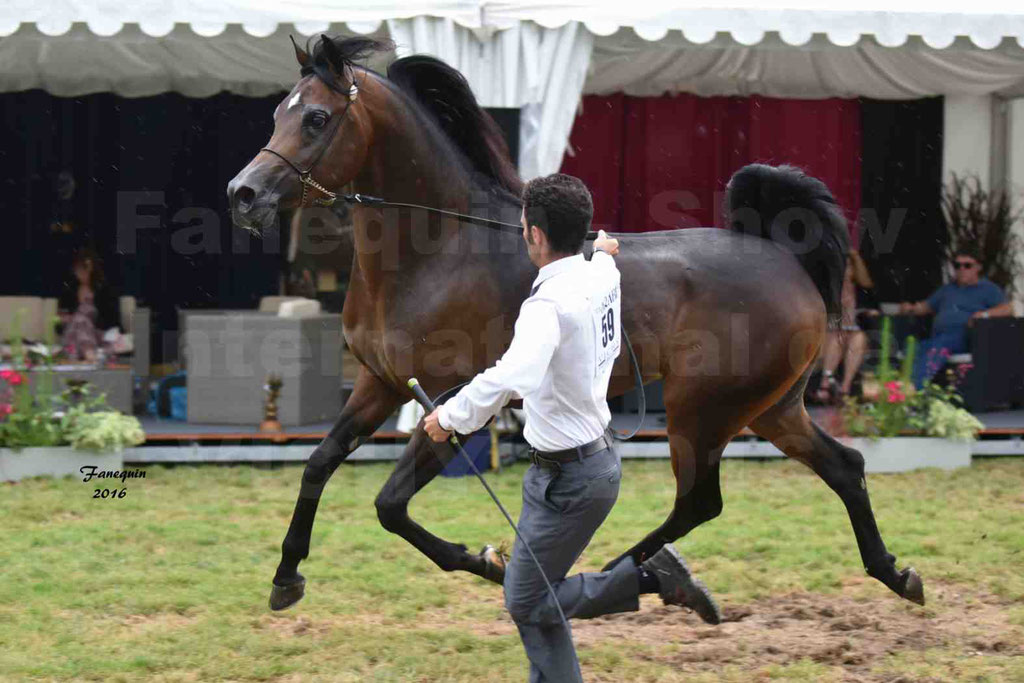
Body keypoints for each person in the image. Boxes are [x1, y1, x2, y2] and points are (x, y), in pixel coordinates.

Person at [423, 173, 719, 683]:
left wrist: (448, 417)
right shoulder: (598, 275)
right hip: (573, 470)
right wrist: (602, 247)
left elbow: (513, 375)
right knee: (535, 601)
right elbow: (603, 258)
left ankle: (651, 577)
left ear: (536, 234)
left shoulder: (546, 307)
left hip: (572, 481)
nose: (521, 234)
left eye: (523, 227)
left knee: (526, 598)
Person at [901, 247, 1011, 387]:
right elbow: (926, 306)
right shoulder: (948, 289)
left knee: (939, 346)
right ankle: (900, 388)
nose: (962, 269)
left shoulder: (987, 288)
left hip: (965, 336)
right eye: (957, 265)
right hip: (939, 337)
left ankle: (914, 389)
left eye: (967, 265)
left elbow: (1007, 308)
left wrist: (984, 314)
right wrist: (910, 308)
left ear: (978, 267)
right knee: (913, 347)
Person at [816, 251, 875, 402]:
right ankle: (825, 383)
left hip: (852, 333)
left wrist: (870, 312)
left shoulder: (861, 292)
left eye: (849, 266)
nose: (845, 270)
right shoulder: (828, 291)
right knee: (839, 335)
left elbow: (872, 312)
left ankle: (845, 387)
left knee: (859, 338)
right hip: (830, 332)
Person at [57, 248, 119, 361]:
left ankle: (77, 358)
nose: (81, 273)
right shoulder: (69, 291)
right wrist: (65, 319)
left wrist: (89, 321)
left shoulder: (104, 290)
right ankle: (89, 353)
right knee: (80, 319)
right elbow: (57, 327)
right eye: (78, 269)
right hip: (72, 335)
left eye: (85, 269)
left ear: (92, 268)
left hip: (97, 335)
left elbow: (113, 321)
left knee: (82, 319)